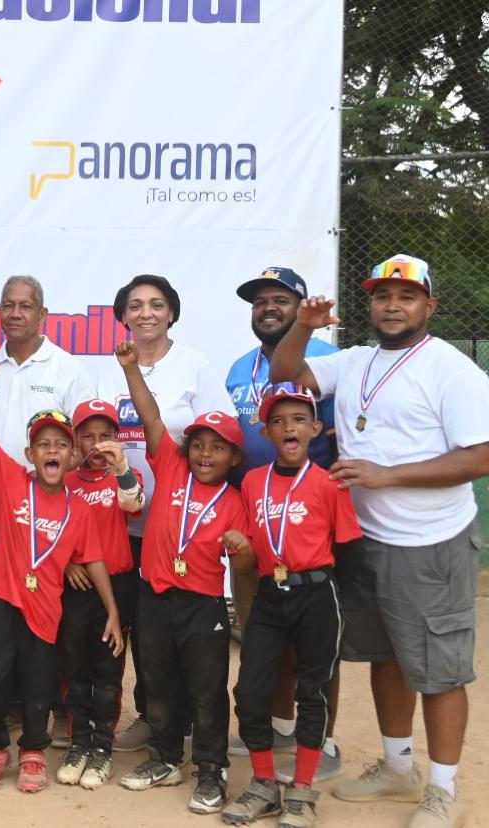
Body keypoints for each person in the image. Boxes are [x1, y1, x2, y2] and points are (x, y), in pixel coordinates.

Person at [271, 255, 489, 828]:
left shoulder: (453, 370)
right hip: (365, 540)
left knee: (439, 670)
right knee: (387, 655)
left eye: (406, 296)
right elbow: (285, 374)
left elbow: (481, 456)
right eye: (382, 295)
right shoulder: (356, 360)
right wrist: (303, 326)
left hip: (429, 542)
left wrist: (387, 476)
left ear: (429, 306)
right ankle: (398, 767)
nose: (392, 305)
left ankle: (444, 790)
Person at [0, 344, 122, 798]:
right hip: (3, 600)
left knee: (39, 684)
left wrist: (113, 611)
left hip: (45, 609)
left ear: (72, 457)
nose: (53, 451)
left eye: (61, 445)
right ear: (30, 454)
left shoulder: (79, 509)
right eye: (44, 445)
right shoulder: (14, 480)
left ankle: (33, 751)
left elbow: (94, 560)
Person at [92, 273, 235, 753]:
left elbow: (224, 434)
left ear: (171, 312)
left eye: (156, 304)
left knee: (182, 630)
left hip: (177, 526)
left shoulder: (194, 366)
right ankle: (151, 715)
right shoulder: (107, 370)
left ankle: (185, 719)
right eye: (135, 305)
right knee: (142, 627)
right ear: (123, 316)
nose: (146, 313)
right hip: (121, 522)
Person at [111, 341, 252, 815]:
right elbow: (150, 416)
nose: (205, 454)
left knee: (207, 691)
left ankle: (211, 771)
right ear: (185, 449)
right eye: (198, 445)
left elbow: (246, 565)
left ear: (234, 457)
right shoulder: (171, 466)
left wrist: (242, 547)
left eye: (218, 447)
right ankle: (165, 758)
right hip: (154, 595)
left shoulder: (236, 501)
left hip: (202, 606)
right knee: (157, 681)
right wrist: (132, 370)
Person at [225, 267, 345, 785]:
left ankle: (325, 741)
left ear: (300, 307)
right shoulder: (239, 368)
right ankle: (278, 727)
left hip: (310, 520)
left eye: (280, 299)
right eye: (260, 302)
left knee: (316, 644)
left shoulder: (326, 360)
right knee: (261, 630)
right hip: (258, 517)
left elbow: (339, 430)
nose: (268, 308)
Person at [222, 384, 362, 828]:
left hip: (317, 594)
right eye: (278, 421)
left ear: (315, 429)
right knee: (250, 691)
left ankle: (302, 791)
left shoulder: (329, 483)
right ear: (266, 432)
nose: (289, 427)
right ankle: (264, 785)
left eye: (299, 419)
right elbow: (248, 555)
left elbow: (350, 550)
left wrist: (337, 602)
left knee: (312, 690)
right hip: (270, 594)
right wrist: (241, 546)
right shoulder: (252, 482)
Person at [55, 400, 144, 791]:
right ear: (75, 441)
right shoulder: (64, 481)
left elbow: (135, 504)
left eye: (105, 435)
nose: (96, 444)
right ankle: (79, 743)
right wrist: (65, 564)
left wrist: (121, 467)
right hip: (76, 588)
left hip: (117, 586)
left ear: (117, 439)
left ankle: (103, 747)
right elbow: (49, 529)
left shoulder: (122, 477)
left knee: (108, 670)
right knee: (74, 666)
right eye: (88, 436)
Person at [0, 275, 96, 468]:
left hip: (46, 485)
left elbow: (85, 443)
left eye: (25, 307)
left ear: (42, 315)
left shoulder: (69, 369)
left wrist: (47, 477)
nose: (15, 314)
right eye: (8, 306)